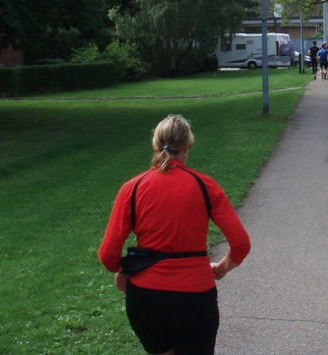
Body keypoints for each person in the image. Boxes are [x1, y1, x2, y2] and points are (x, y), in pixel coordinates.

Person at [99, 115, 251, 355]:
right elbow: (241, 243)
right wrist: (221, 268)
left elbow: (108, 256)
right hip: (195, 297)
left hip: (146, 298)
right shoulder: (205, 186)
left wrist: (126, 269)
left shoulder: (133, 188)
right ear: (188, 146)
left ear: (155, 146)